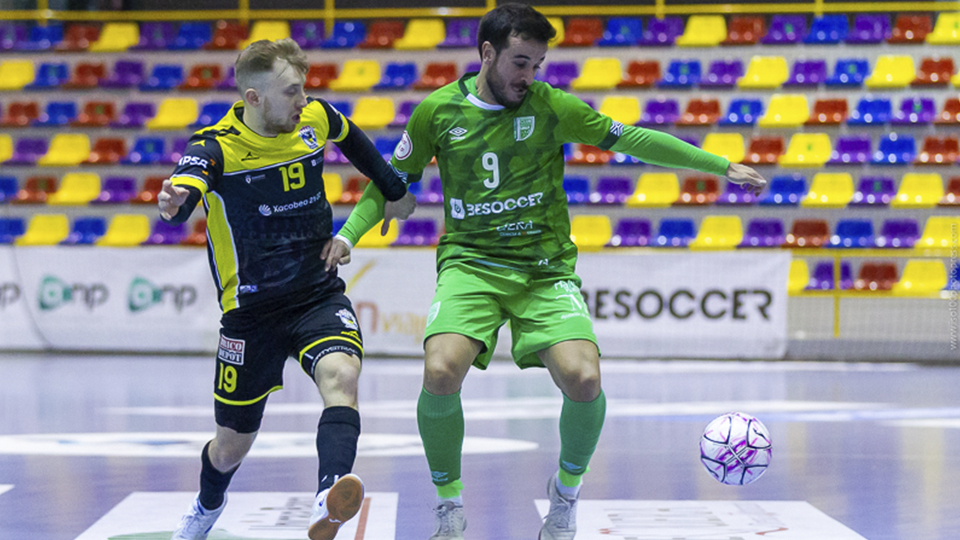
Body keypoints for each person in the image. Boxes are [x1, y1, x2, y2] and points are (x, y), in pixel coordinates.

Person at [325, 5, 767, 539]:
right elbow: (390, 182)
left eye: (537, 64)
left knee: (584, 379)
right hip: (471, 265)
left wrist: (719, 165)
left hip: (545, 270)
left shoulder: (552, 106)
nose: (528, 76)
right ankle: (448, 505)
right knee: (441, 370)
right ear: (486, 54)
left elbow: (631, 138)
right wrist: (349, 234)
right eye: (519, 62)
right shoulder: (436, 113)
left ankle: (566, 495)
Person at [157, 38, 415, 540]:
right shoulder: (216, 146)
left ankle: (330, 493)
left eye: (304, 89)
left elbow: (353, 137)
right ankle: (206, 508)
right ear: (253, 98)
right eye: (291, 92)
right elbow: (189, 187)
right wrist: (176, 203)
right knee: (231, 445)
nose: (303, 101)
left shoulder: (313, 119)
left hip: (316, 292)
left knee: (342, 376)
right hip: (250, 313)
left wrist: (394, 189)